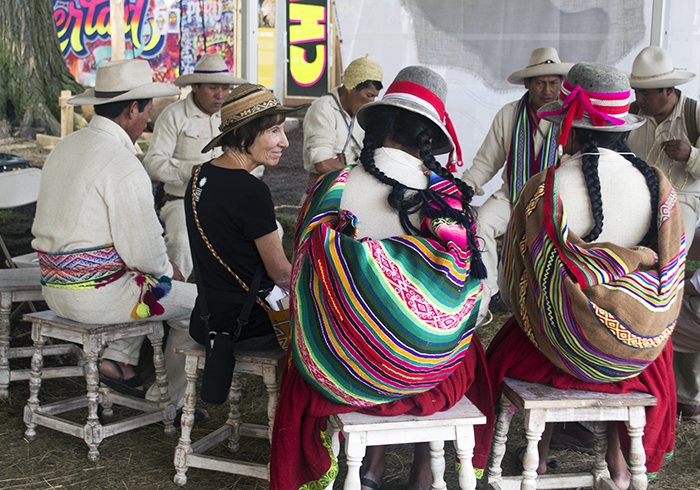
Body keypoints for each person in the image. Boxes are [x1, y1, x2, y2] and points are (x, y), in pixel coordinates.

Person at [271, 66, 494, 490]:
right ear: (429, 139)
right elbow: (468, 291)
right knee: (462, 348)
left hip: (343, 365)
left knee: (357, 322)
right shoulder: (446, 198)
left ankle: (370, 470)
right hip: (423, 372)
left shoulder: (332, 188)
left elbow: (306, 276)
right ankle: (426, 471)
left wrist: (362, 298)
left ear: (377, 125)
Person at [483, 62, 684, 490]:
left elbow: (515, 282)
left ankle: (537, 456)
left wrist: (573, 301)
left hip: (553, 349)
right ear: (624, 128)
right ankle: (620, 464)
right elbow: (670, 279)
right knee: (641, 346)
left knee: (523, 328)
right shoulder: (659, 187)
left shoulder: (544, 189)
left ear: (570, 126)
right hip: (634, 352)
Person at [31, 59, 199, 415]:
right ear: (131, 110)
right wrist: (170, 271)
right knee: (199, 304)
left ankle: (124, 361)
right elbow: (145, 256)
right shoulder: (122, 164)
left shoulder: (66, 146)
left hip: (52, 288)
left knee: (154, 284)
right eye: (146, 111)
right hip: (94, 298)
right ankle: (170, 399)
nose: (147, 120)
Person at [184, 84, 304, 402]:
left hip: (207, 318)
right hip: (250, 326)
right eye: (274, 130)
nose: (284, 141)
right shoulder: (251, 191)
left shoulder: (199, 177)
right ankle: (296, 424)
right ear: (241, 136)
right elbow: (280, 274)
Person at [460, 47, 572, 305]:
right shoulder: (509, 114)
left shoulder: (570, 117)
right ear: (526, 84)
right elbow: (486, 162)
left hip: (557, 200)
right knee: (481, 222)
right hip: (513, 195)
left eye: (554, 83)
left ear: (561, 84)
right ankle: (490, 293)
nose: (547, 90)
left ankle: (553, 298)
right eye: (540, 83)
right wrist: (461, 189)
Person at [143, 53, 248, 280]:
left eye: (226, 88)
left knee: (270, 232)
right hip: (182, 202)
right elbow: (153, 163)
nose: (221, 95)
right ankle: (174, 307)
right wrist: (190, 170)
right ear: (195, 86)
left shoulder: (235, 118)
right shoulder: (173, 115)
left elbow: (252, 160)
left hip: (228, 203)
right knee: (180, 242)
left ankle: (244, 302)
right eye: (213, 88)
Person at [627, 46, 699, 245]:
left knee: (671, 250)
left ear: (669, 90)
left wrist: (690, 155)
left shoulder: (694, 116)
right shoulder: (631, 115)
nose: (638, 99)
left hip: (680, 200)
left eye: (646, 94)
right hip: (634, 196)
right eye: (636, 92)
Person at [302, 55, 383, 194]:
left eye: (375, 96)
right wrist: (360, 180)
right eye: (369, 95)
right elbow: (323, 163)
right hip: (324, 196)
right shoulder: (323, 109)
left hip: (349, 191)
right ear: (351, 87)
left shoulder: (360, 113)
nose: (372, 101)